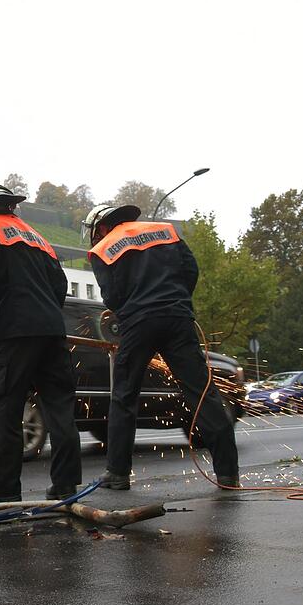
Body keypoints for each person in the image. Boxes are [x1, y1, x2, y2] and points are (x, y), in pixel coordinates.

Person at [83, 204, 240, 490]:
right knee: (201, 392)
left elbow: (112, 296)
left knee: (124, 396)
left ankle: (118, 473)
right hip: (178, 319)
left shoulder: (103, 249)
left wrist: (131, 312)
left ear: (101, 227)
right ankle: (228, 473)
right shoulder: (164, 231)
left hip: (138, 324)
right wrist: (176, 300)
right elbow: (190, 270)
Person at [0, 181, 82, 503]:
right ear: (11, 205)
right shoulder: (37, 237)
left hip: (15, 331)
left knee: (1, 402)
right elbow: (59, 283)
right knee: (59, 407)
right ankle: (65, 483)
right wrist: (46, 313)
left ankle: (4, 486)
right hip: (53, 332)